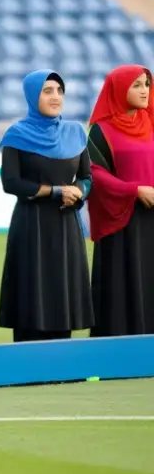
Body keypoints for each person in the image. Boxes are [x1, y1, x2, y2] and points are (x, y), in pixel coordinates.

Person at [0, 70, 92, 342]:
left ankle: (64, 359)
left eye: (59, 91)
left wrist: (78, 190)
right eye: (47, 91)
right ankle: (28, 361)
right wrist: (56, 192)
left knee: (64, 289)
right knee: (32, 289)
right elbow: (11, 183)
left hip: (66, 225)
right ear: (32, 95)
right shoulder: (17, 134)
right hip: (32, 226)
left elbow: (87, 177)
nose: (55, 97)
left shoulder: (75, 133)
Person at [86, 64, 154, 337]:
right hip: (123, 220)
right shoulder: (102, 131)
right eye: (136, 85)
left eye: (146, 84)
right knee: (122, 283)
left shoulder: (152, 122)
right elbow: (94, 173)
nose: (144, 91)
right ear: (118, 89)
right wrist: (134, 191)